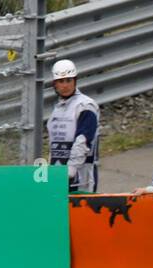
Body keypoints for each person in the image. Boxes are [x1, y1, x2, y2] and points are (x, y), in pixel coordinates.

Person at [46, 59, 100, 194]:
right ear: (55, 84)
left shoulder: (86, 105)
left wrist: (71, 170)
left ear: (75, 81)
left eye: (69, 80)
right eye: (61, 81)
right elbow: (53, 145)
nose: (65, 85)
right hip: (57, 174)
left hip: (80, 177)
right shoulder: (57, 109)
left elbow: (83, 141)